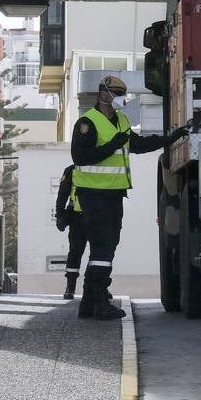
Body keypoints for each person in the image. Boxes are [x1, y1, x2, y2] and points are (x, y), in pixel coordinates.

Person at [71, 75, 188, 321]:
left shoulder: (122, 120)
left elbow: (140, 144)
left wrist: (173, 137)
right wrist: (112, 145)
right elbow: (80, 157)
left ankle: (89, 303)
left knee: (108, 245)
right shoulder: (87, 123)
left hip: (114, 194)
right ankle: (100, 302)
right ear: (103, 93)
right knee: (103, 246)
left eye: (122, 93)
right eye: (116, 93)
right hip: (93, 194)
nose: (121, 98)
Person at [53, 164, 87, 300]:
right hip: (77, 217)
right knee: (75, 252)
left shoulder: (99, 168)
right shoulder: (71, 170)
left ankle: (99, 287)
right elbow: (62, 194)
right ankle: (70, 287)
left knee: (99, 254)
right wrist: (60, 215)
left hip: (96, 217)